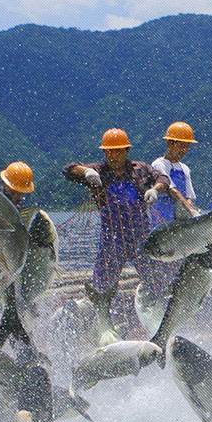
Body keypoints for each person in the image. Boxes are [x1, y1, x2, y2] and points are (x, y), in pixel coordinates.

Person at [66, 127, 170, 305]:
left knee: (157, 282)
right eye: (109, 152)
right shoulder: (99, 171)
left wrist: (155, 189)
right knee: (102, 287)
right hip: (112, 240)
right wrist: (86, 172)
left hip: (141, 237)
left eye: (118, 151)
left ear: (126, 151)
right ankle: (100, 317)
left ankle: (161, 314)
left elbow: (163, 179)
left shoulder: (140, 169)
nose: (113, 156)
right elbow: (69, 169)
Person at [149, 122, 199, 223]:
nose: (183, 150)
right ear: (169, 143)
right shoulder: (159, 164)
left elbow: (188, 197)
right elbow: (172, 191)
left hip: (181, 220)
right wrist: (190, 211)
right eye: (181, 145)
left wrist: (192, 211)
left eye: (187, 146)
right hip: (161, 218)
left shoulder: (185, 168)